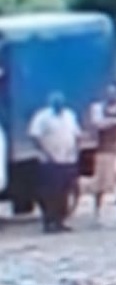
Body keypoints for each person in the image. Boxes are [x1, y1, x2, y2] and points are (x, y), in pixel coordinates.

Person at [28, 92, 83, 234]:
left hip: (67, 159)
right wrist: (45, 152)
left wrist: (75, 151)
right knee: (49, 193)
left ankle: (60, 221)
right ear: (51, 103)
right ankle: (48, 221)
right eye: (56, 102)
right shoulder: (43, 117)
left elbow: (76, 134)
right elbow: (35, 136)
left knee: (64, 192)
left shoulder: (69, 115)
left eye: (61, 102)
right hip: (49, 161)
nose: (59, 105)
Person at [89, 85, 116, 222]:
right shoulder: (98, 108)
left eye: (114, 93)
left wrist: (113, 122)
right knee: (100, 184)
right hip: (103, 151)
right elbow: (98, 124)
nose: (112, 96)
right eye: (109, 93)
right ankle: (96, 212)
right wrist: (115, 122)